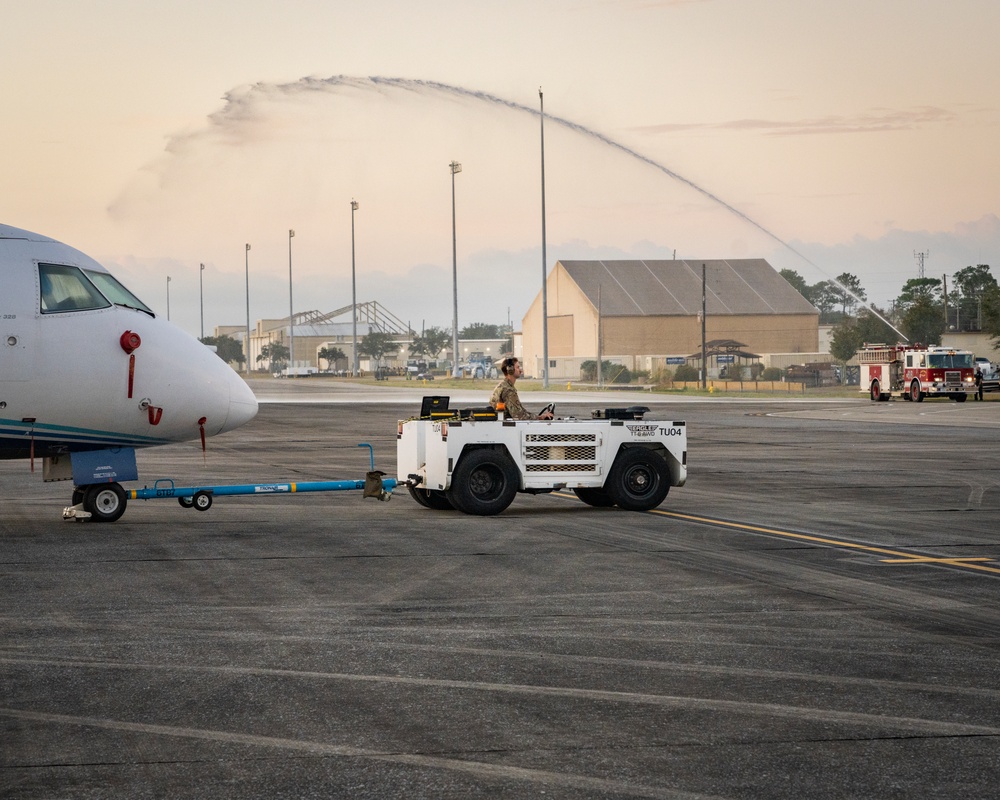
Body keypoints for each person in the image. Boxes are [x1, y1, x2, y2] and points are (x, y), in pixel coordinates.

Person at [490, 357, 554, 420]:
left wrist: (538, 417)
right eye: (517, 367)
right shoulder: (508, 390)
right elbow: (519, 416)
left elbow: (521, 411)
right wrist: (540, 418)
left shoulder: (503, 386)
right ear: (510, 370)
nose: (520, 370)